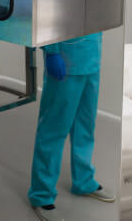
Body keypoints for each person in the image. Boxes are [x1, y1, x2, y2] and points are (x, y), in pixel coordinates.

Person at [28, 32, 116, 221]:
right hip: (66, 59)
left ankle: (83, 180)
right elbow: (48, 16)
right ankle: (41, 195)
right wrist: (51, 51)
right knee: (53, 130)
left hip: (91, 58)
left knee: (85, 127)